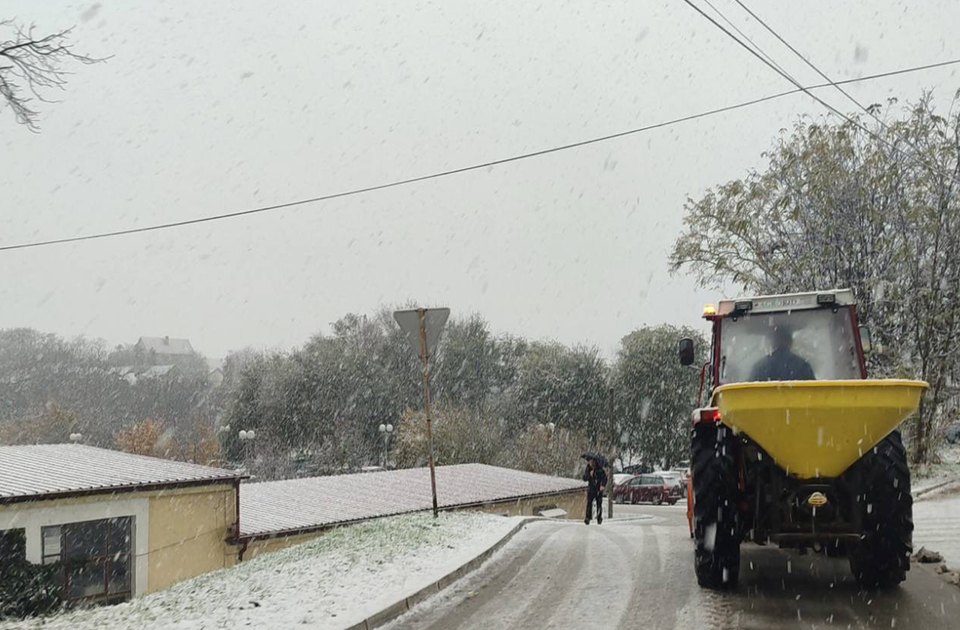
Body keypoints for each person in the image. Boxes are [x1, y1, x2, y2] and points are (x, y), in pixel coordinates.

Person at [749, 326, 815, 382]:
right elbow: (813, 392)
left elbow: (750, 391)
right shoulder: (802, 366)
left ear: (773, 343)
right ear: (790, 342)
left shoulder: (760, 367)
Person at [582, 456, 607, 525]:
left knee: (599, 503)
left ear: (595, 462)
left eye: (592, 462)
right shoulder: (588, 469)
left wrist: (603, 485)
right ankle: (588, 518)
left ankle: (599, 518)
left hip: (598, 488)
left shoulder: (600, 469)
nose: (591, 463)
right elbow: (584, 478)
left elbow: (604, 478)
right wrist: (589, 475)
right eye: (590, 462)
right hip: (591, 488)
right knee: (589, 503)